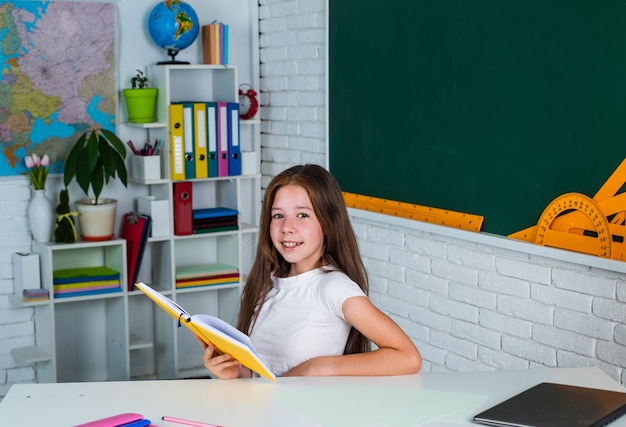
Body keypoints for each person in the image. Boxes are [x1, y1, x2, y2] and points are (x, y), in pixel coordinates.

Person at [198, 164, 422, 378]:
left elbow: (408, 357)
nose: (287, 227)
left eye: (302, 215)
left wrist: (317, 367)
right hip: (263, 411)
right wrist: (237, 372)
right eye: (278, 215)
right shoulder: (269, 282)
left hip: (302, 415)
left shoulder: (334, 287)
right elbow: (264, 375)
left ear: (328, 222)